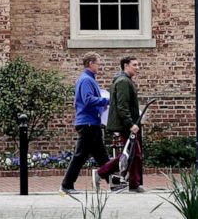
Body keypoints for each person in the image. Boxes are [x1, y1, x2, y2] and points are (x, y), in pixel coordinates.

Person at [60, 52, 110, 194]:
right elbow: (87, 100)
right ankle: (66, 185)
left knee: (101, 156)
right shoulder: (86, 80)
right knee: (80, 155)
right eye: (98, 63)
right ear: (90, 63)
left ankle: (113, 182)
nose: (99, 66)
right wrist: (106, 100)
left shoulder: (87, 79)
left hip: (91, 122)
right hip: (88, 123)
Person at [94, 55, 144, 192]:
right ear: (126, 66)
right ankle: (102, 173)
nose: (137, 68)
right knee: (133, 154)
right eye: (135, 65)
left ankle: (134, 184)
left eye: (138, 65)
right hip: (125, 125)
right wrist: (130, 124)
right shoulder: (123, 81)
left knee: (132, 154)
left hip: (128, 124)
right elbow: (122, 106)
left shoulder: (126, 80)